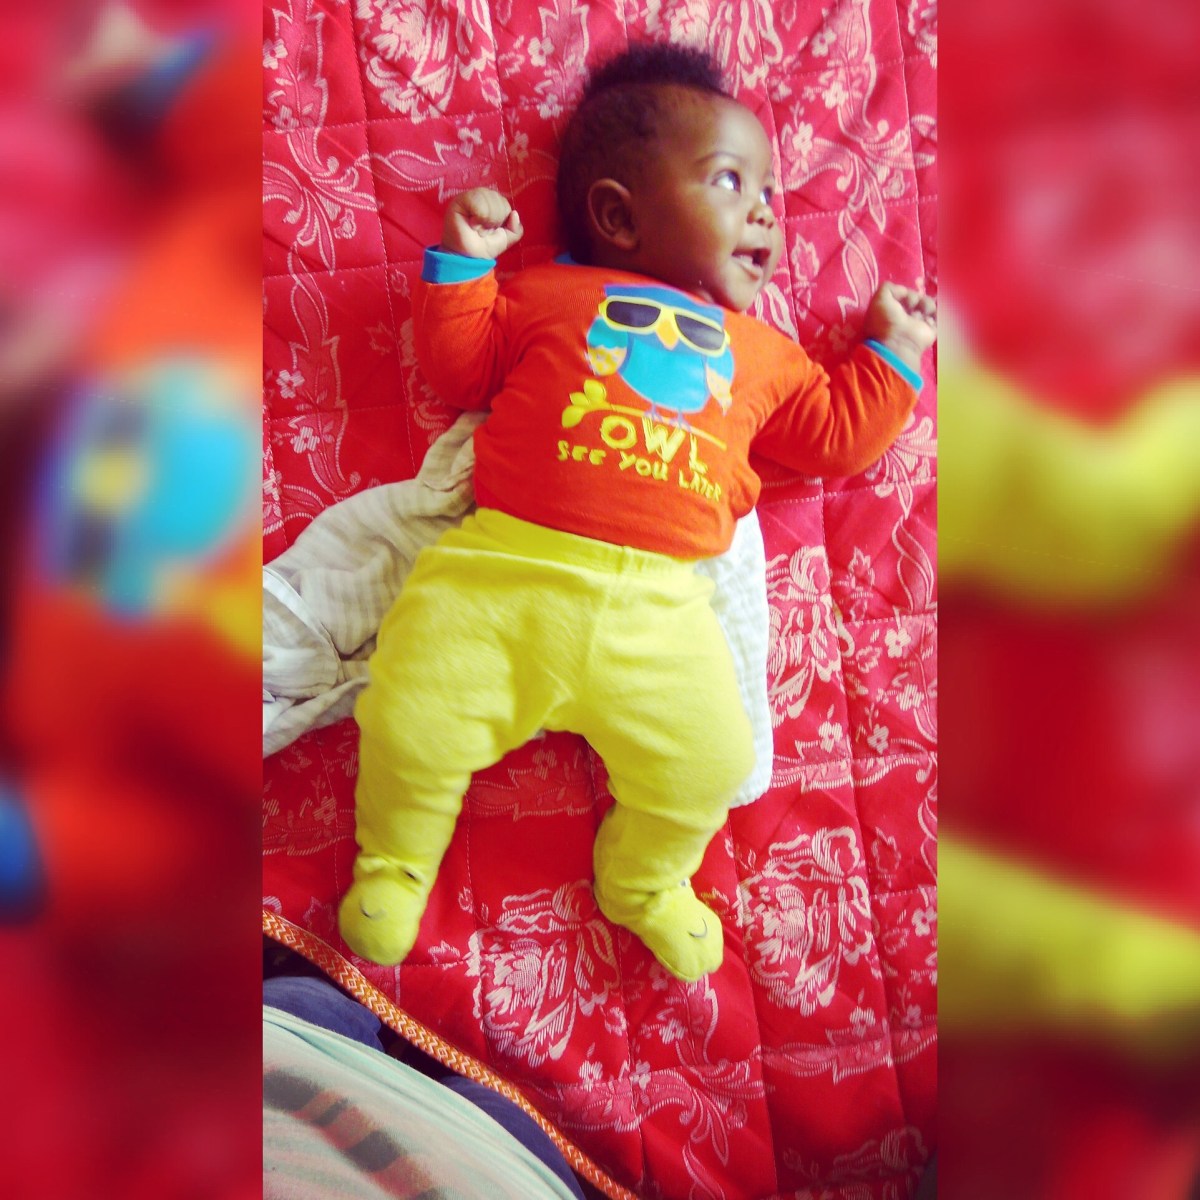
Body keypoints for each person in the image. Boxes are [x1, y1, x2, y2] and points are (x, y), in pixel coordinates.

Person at [338, 42, 937, 980]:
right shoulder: (545, 297)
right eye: (731, 181)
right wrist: (462, 267)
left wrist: (891, 352)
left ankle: (646, 879)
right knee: (409, 711)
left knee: (713, 762)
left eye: (770, 192)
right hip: (501, 578)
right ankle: (397, 864)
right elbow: (459, 367)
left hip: (662, 612)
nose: (766, 212)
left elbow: (835, 435)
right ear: (619, 214)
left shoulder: (765, 353)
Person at [264, 975, 587, 1199]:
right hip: (504, 1168)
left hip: (284, 1054)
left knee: (315, 995)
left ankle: (418, 1045)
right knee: (487, 1087)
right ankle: (425, 1051)